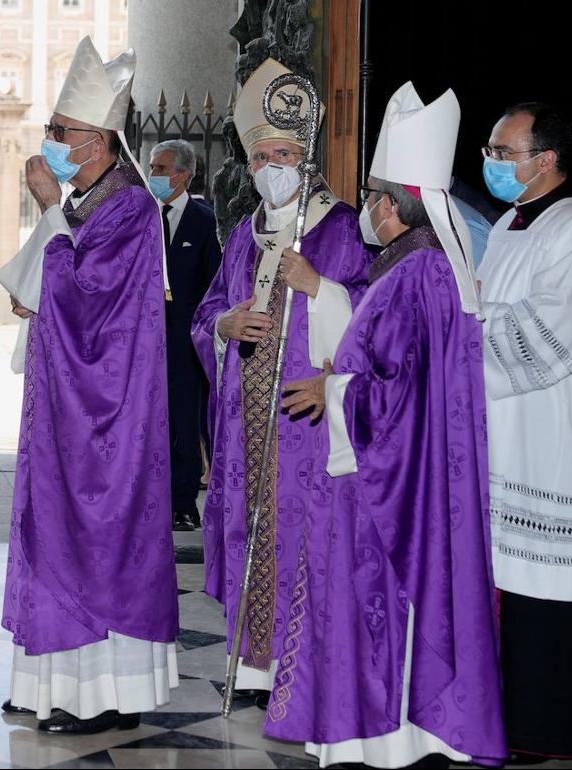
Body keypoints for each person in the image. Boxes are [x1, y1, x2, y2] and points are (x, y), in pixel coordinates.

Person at [263, 83, 507, 768]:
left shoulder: (417, 272)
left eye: (375, 196)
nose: (366, 208)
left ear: (398, 205)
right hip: (392, 475)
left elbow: (399, 393)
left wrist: (331, 391)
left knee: (382, 604)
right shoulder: (412, 264)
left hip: (386, 486)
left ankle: (388, 741)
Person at [0, 37, 180, 735]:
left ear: (99, 141)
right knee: (56, 532)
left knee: (95, 538)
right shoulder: (90, 202)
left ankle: (103, 695)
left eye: (61, 131)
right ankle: (50, 682)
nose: (50, 142)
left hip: (106, 420)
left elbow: (87, 298)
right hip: (67, 413)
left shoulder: (128, 209)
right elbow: (58, 282)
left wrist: (47, 210)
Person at [191, 57, 373, 707]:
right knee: (250, 534)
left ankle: (302, 666)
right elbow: (205, 314)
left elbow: (370, 317)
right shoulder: (242, 234)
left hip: (304, 420)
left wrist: (317, 288)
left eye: (285, 153)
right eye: (262, 155)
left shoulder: (341, 226)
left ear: (307, 160)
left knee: (300, 537)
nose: (272, 165)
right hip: (247, 428)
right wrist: (226, 324)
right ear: (248, 166)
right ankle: (255, 667)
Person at [478, 101, 572, 762]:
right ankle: (514, 721)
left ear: (545, 160)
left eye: (502, 153)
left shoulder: (569, 228)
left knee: (546, 595)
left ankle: (547, 731)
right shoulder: (512, 224)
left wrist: (458, 338)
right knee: (513, 591)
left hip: (546, 443)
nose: (491, 163)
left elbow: (546, 337)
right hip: (502, 436)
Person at [148, 138, 221, 531]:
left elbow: (213, 283)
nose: (153, 175)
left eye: (160, 168)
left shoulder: (204, 221)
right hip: (144, 341)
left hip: (186, 343)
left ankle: (182, 502)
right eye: (152, 167)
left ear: (183, 174)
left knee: (183, 424)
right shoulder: (142, 217)